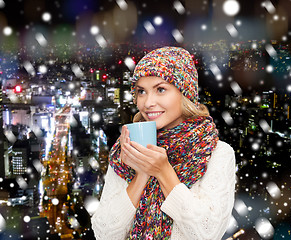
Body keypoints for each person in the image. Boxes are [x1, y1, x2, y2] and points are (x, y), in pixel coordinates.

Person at [91, 46, 236, 240]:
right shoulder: (126, 149)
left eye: (160, 89)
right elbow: (104, 234)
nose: (148, 102)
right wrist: (141, 173)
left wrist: (162, 171)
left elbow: (207, 233)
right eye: (141, 91)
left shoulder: (217, 153)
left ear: (185, 93)